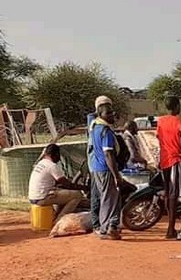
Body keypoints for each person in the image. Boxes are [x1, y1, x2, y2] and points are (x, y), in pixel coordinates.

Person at [89, 103, 124, 240]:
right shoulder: (105, 131)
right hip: (105, 169)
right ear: (100, 115)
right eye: (107, 113)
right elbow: (108, 154)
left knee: (106, 198)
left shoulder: (95, 128)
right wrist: (116, 175)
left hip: (97, 168)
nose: (111, 115)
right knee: (110, 199)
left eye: (111, 112)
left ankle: (107, 227)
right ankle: (106, 228)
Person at [156, 96, 181, 240]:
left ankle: (170, 226)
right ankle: (170, 228)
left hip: (164, 159)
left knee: (168, 191)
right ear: (176, 106)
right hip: (175, 158)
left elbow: (159, 138)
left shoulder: (161, 121)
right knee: (174, 194)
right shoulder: (177, 120)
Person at [28, 144, 86, 218]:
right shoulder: (52, 166)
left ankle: (55, 215)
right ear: (55, 154)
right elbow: (68, 185)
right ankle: (59, 219)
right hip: (42, 198)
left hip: (34, 197)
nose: (59, 158)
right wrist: (84, 187)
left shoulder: (41, 163)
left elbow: (57, 183)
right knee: (77, 195)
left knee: (61, 193)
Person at [87, 95, 112, 234]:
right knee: (99, 195)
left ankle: (101, 223)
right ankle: (99, 224)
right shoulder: (96, 123)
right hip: (98, 164)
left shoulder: (96, 122)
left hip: (96, 163)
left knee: (100, 194)